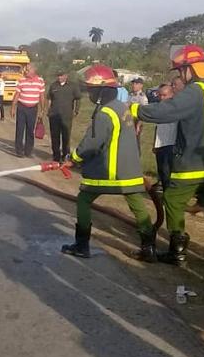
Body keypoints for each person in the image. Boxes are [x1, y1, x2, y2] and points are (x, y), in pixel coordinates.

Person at [131, 45, 204, 269]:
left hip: (193, 163)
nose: (181, 76)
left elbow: (168, 111)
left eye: (181, 71)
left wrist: (135, 111)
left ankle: (177, 251)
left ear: (189, 69)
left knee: (172, 200)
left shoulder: (195, 90)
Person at [62, 65, 155, 261]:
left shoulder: (105, 112)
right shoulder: (122, 107)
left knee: (84, 200)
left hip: (109, 171)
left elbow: (92, 143)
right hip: (130, 171)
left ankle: (81, 245)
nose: (90, 93)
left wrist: (74, 159)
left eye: (92, 89)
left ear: (102, 89)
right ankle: (149, 248)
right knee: (137, 205)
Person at [11, 64, 46, 157]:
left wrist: (42, 109)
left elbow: (42, 96)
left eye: (27, 69)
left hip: (33, 109)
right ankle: (19, 150)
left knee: (30, 130)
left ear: (34, 70)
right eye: (25, 70)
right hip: (22, 108)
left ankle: (28, 151)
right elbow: (17, 95)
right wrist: (13, 108)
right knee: (20, 129)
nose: (25, 71)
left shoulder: (40, 81)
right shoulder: (21, 80)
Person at [46, 69, 81, 162]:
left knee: (66, 136)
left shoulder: (73, 86)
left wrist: (76, 111)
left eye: (61, 75)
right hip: (54, 115)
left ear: (66, 75)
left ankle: (66, 155)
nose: (59, 77)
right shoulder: (53, 85)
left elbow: (78, 98)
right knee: (55, 136)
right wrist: (48, 110)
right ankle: (56, 156)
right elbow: (49, 99)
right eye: (58, 75)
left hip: (66, 116)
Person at [152, 83, 177, 193]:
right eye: (160, 95)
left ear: (172, 94)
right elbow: (158, 128)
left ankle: (169, 195)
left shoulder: (176, 109)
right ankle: (165, 192)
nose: (162, 98)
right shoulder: (159, 109)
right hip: (160, 144)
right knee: (161, 171)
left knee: (168, 172)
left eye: (164, 95)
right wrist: (154, 144)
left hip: (170, 144)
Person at [129, 77, 149, 142]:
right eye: (133, 83)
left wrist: (138, 125)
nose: (134, 85)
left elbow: (144, 113)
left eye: (136, 83)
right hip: (129, 121)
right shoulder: (130, 94)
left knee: (135, 142)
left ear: (141, 85)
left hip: (136, 121)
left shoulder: (142, 97)